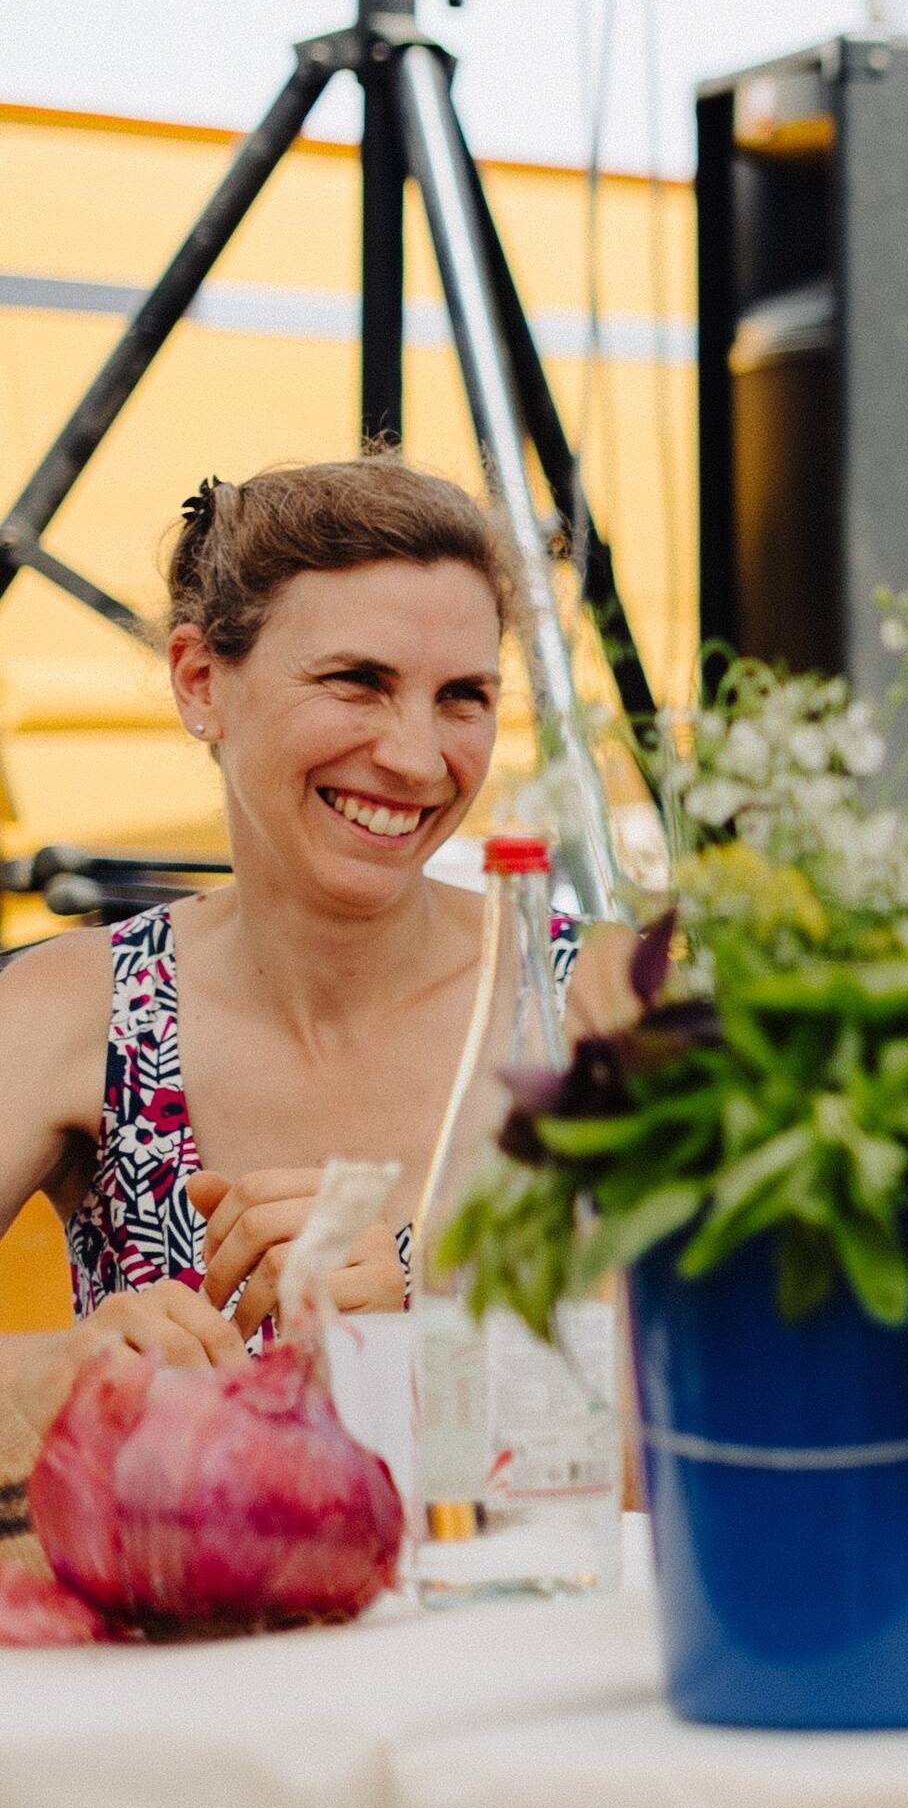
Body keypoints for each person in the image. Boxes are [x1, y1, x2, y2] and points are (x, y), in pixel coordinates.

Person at [2, 462, 588, 1474]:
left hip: (518, 1624)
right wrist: (65, 1370)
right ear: (200, 681)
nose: (414, 757)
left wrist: (429, 1312)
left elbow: (759, 1402)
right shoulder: (78, 1008)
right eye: (356, 681)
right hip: (197, 1625)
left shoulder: (594, 1002)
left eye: (464, 697)